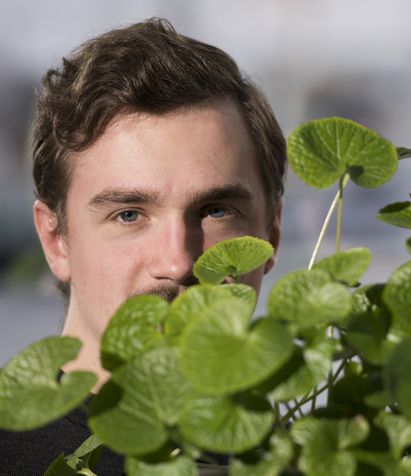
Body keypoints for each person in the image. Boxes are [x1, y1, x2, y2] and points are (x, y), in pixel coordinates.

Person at [0, 18, 285, 474]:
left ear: (271, 232)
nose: (178, 262)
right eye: (128, 214)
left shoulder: (307, 456)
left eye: (216, 210)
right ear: (56, 241)